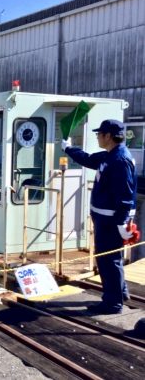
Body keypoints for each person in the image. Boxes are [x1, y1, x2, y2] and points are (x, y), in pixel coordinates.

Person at [62, 119, 136, 314]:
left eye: (99, 134)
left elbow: (125, 195)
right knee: (110, 259)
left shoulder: (120, 160)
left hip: (111, 221)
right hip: (104, 218)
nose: (97, 137)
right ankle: (120, 293)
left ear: (108, 136)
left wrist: (121, 222)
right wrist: (69, 149)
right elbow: (88, 159)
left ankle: (113, 303)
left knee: (109, 260)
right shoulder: (109, 155)